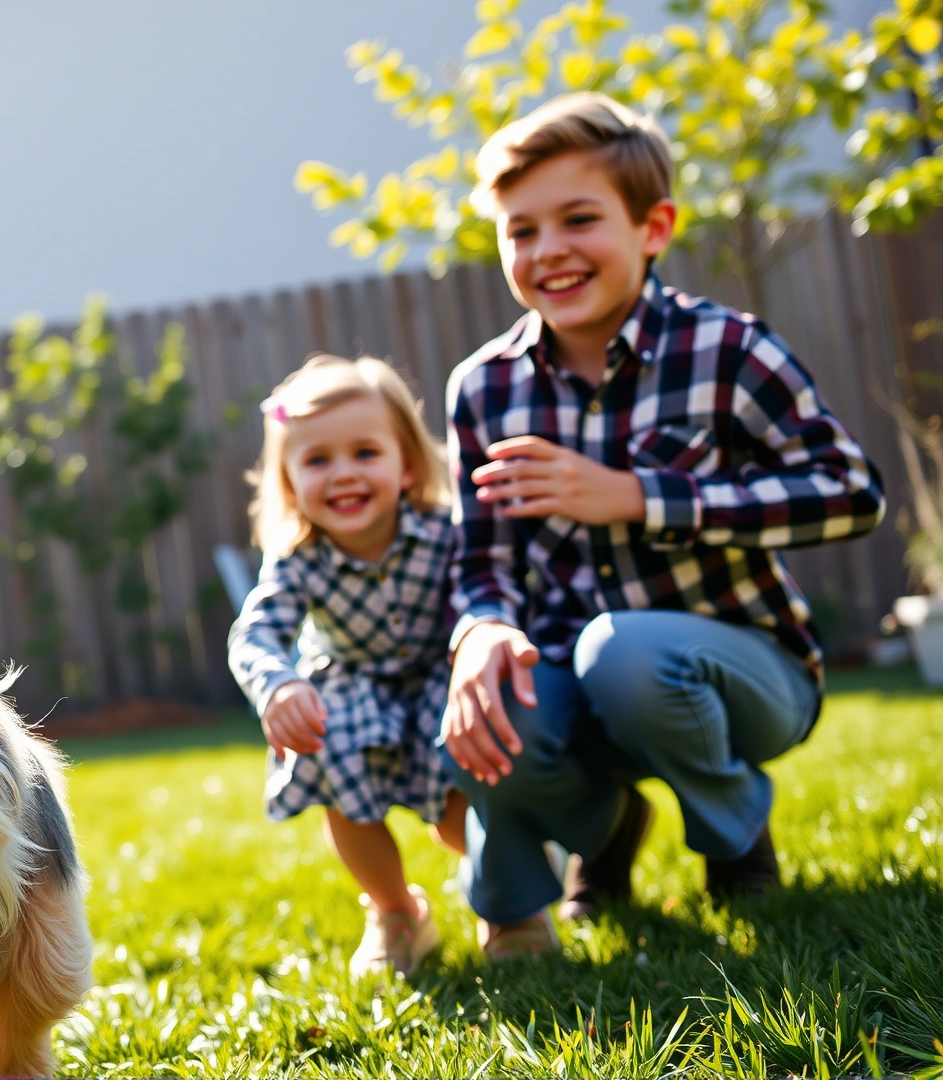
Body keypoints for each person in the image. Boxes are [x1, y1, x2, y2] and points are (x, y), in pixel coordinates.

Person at [443, 93, 885, 959]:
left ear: (654, 227)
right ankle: (598, 833)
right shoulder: (484, 390)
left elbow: (850, 491)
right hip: (575, 677)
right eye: (521, 230)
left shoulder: (728, 350)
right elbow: (481, 562)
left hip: (742, 678)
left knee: (625, 650)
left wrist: (641, 497)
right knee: (487, 699)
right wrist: (481, 630)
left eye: (579, 218)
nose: (549, 251)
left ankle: (733, 836)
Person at [228, 355, 469, 978]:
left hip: (439, 681)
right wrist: (278, 685)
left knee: (460, 812)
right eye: (317, 461)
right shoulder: (298, 557)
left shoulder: (446, 531)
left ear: (408, 462)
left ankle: (509, 896)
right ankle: (395, 912)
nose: (343, 475)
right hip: (353, 688)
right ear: (288, 479)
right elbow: (255, 633)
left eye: (365, 452)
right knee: (331, 758)